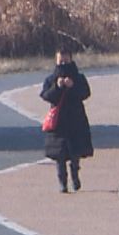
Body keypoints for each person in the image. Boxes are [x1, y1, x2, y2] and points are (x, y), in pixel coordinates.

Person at [40, 48, 94, 193]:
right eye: (61, 61)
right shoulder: (51, 79)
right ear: (56, 61)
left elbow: (86, 93)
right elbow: (46, 95)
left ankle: (75, 176)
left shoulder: (79, 78)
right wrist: (57, 87)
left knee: (75, 153)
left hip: (76, 120)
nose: (63, 64)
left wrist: (73, 86)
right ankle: (62, 183)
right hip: (58, 123)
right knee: (60, 155)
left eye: (66, 60)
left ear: (71, 59)